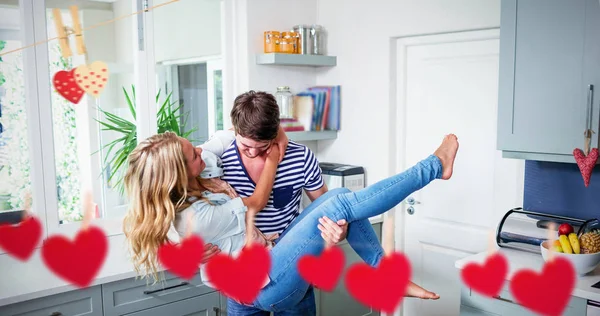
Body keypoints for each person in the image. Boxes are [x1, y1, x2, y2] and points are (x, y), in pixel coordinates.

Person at [122, 129, 458, 313]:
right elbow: (255, 202)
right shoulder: (194, 217)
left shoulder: (203, 170)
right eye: (192, 154)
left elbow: (230, 135)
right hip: (260, 286)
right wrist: (273, 158)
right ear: (179, 173)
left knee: (332, 201)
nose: (200, 150)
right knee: (339, 203)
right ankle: (432, 167)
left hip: (268, 263)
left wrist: (276, 134)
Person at [201, 91, 348, 315]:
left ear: (274, 133)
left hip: (293, 276)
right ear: (234, 130)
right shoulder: (217, 163)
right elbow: (188, 210)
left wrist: (334, 239)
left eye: (262, 147)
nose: (252, 153)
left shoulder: (301, 158)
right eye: (245, 146)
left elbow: (327, 209)